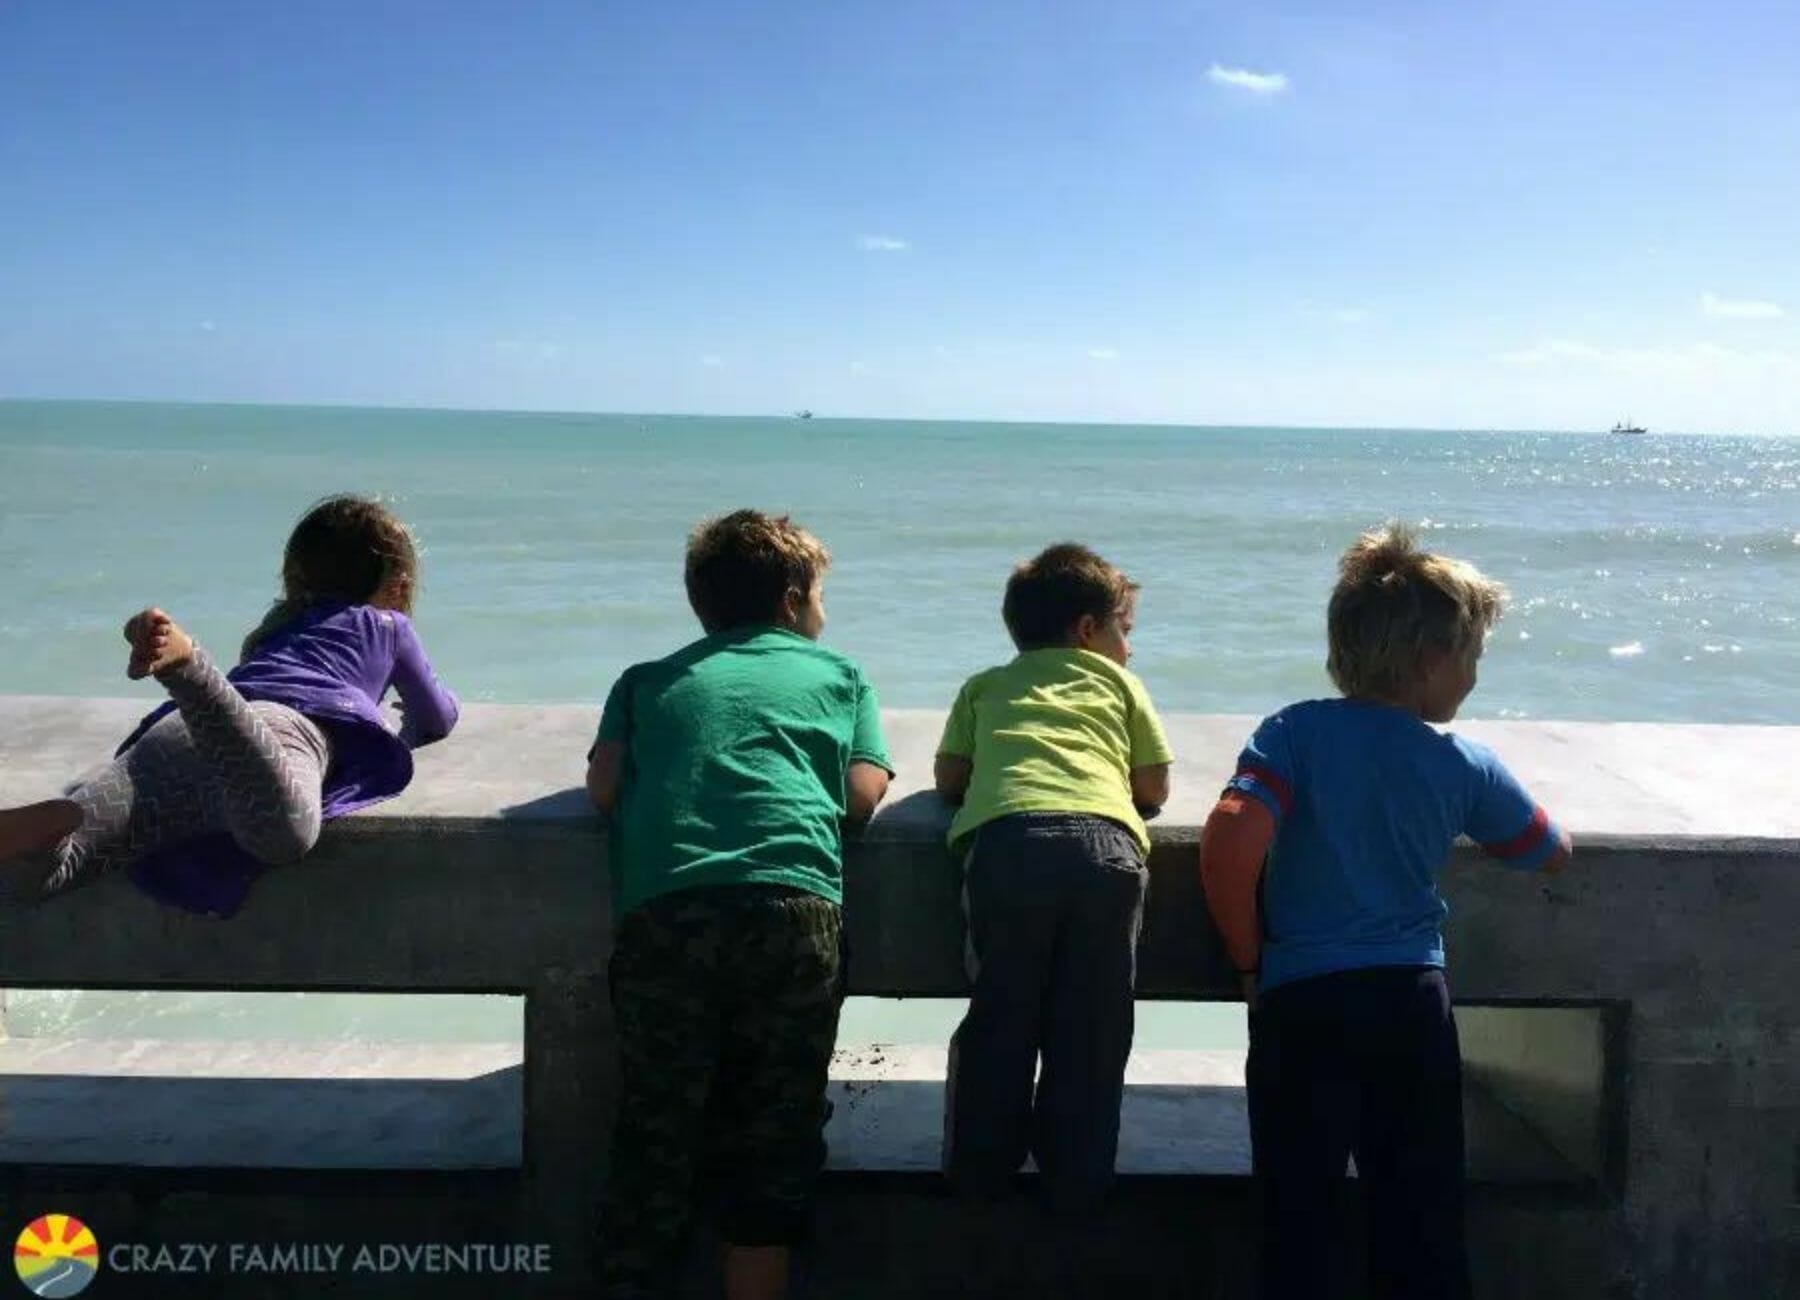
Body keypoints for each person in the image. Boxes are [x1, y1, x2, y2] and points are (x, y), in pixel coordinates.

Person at [1199, 522, 1573, 1300]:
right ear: (1433, 661)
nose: (1474, 676)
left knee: (1298, 1214)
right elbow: (1546, 849)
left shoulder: (1294, 731)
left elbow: (1233, 836)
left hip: (1301, 1003)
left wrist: (1248, 960)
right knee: (1420, 1213)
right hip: (1408, 1002)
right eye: (1471, 658)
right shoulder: (1462, 762)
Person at [587, 509, 892, 1300]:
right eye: (820, 596)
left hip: (668, 914)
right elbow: (860, 799)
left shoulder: (645, 680)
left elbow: (605, 789)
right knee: (773, 1145)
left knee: (656, 1133)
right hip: (793, 913)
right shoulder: (842, 676)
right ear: (792, 601)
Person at [0, 494, 459, 917]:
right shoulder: (387, 625)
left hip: (183, 733)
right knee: (283, 834)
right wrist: (404, 724)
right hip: (279, 731)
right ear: (398, 588)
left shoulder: (277, 626)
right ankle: (190, 671)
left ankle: (55, 829)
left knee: (63, 865)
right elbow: (436, 717)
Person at [934, 542, 1172, 1213]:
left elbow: (949, 778)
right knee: (1094, 1028)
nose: (1130, 647)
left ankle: (982, 1177)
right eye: (1125, 630)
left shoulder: (984, 686)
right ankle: (1077, 1180)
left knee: (1001, 1015)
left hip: (1010, 847)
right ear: (1088, 629)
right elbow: (1153, 786)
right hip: (1105, 854)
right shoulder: (1121, 685)